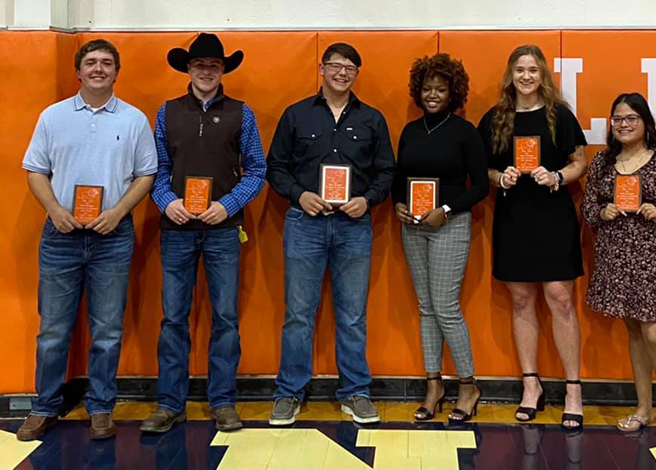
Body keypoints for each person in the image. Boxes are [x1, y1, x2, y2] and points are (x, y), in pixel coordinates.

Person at [18, 39, 157, 441]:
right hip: (60, 235)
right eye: (91, 62)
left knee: (108, 329)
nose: (99, 68)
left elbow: (146, 174)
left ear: (117, 72)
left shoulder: (133, 120)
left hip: (112, 236)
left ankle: (101, 408)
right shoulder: (53, 117)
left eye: (107, 63)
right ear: (78, 71)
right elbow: (35, 171)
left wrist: (118, 212)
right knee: (54, 331)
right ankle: (44, 407)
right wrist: (54, 211)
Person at [140, 33, 266, 433]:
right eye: (199, 65)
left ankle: (224, 402)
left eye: (214, 65)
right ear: (188, 69)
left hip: (224, 231)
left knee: (226, 318)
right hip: (176, 229)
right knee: (173, 318)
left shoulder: (242, 114)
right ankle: (169, 403)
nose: (207, 71)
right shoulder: (167, 112)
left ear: (223, 69)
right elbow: (157, 168)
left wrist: (227, 205)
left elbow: (257, 170)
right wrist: (166, 201)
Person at [266, 42, 396, 426]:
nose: (342, 73)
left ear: (357, 73)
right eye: (335, 66)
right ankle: (289, 392)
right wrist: (299, 194)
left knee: (352, 315)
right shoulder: (296, 115)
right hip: (304, 222)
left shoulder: (372, 119)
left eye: (349, 68)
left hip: (354, 225)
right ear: (321, 69)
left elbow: (387, 172)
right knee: (298, 314)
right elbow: (276, 167)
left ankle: (355, 392)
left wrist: (367, 200)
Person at [477, 44, 588, 430]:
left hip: (553, 216)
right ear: (510, 74)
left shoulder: (560, 116)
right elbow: (483, 170)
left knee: (560, 297)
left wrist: (557, 176)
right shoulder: (494, 118)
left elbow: (580, 162)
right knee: (522, 299)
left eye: (533, 70)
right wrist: (499, 176)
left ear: (543, 75)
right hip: (514, 216)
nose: (526, 76)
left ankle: (573, 389)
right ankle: (531, 385)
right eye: (520, 69)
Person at [582, 92, 656, 446]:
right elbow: (588, 208)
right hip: (615, 258)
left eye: (630, 118)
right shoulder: (603, 162)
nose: (623, 124)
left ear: (645, 122)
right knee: (634, 332)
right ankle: (644, 408)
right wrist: (601, 213)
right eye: (617, 119)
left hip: (655, 260)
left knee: (654, 334)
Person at [392, 53, 488, 422]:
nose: (433, 94)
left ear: (453, 93)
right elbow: (398, 180)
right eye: (427, 88)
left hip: (449, 224)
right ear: (419, 91)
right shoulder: (411, 130)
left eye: (441, 89)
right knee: (426, 308)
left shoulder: (465, 132)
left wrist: (445, 210)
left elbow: (479, 186)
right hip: (412, 226)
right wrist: (399, 203)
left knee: (446, 308)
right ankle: (434, 385)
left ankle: (469, 385)